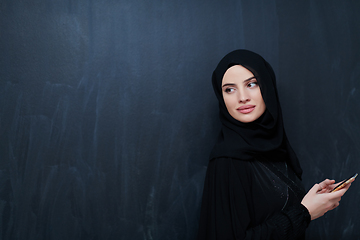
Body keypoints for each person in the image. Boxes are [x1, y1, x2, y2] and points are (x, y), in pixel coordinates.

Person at [196, 49, 353, 240]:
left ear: (267, 87)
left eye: (252, 84)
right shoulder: (228, 160)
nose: (242, 97)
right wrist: (304, 213)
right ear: (222, 98)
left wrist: (312, 202)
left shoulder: (274, 148)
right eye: (229, 89)